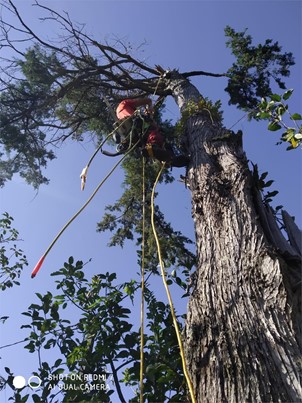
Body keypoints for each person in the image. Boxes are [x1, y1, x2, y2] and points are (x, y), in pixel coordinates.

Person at [115, 97, 189, 167]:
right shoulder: (123, 104)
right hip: (138, 125)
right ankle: (161, 153)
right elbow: (148, 100)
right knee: (154, 132)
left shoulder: (121, 119)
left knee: (156, 142)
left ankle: (169, 158)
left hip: (136, 137)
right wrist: (149, 108)